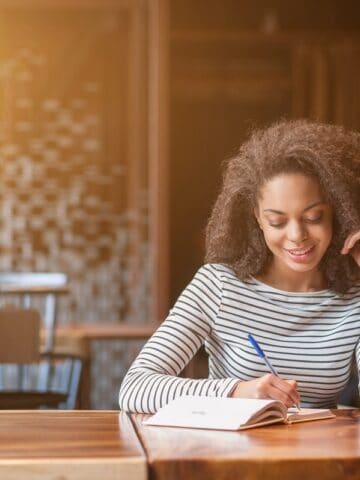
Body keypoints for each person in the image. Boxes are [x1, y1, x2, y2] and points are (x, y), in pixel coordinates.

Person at [119, 119, 360, 413]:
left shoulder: (353, 298)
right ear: (257, 219)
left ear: (339, 211)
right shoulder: (219, 285)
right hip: (230, 455)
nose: (297, 235)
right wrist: (236, 391)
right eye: (277, 222)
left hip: (319, 457)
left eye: (313, 217)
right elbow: (135, 388)